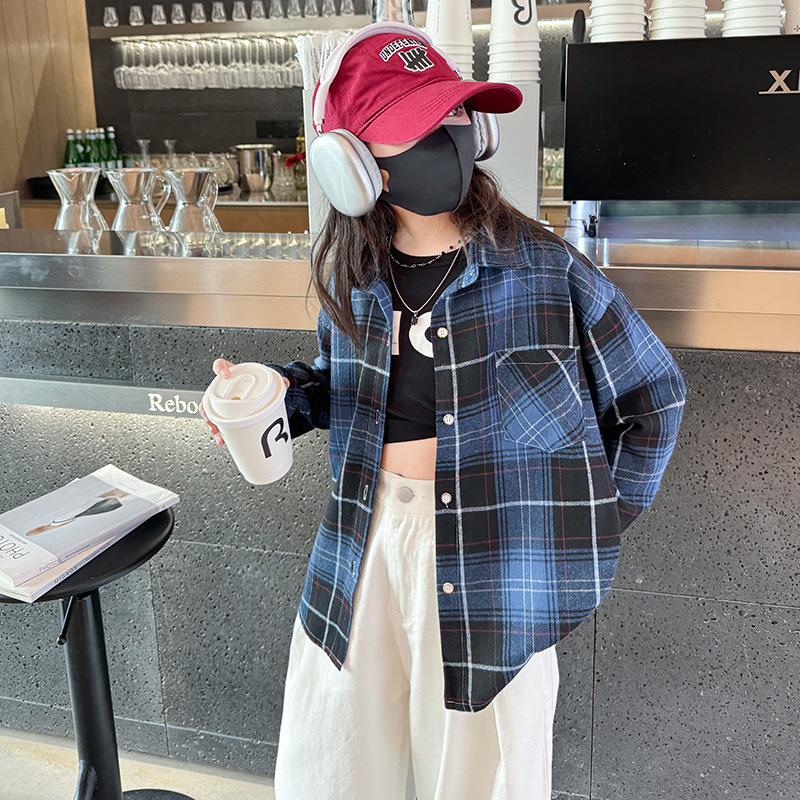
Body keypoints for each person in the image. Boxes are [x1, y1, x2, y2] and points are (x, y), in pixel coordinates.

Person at [202, 22, 687, 800]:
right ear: (352, 163)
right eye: (420, 124)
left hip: (495, 565)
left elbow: (654, 398)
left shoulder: (545, 270)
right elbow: (341, 384)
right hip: (363, 546)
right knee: (335, 766)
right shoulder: (357, 274)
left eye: (457, 114)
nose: (451, 136)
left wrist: (585, 523)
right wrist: (279, 394)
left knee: (478, 777)